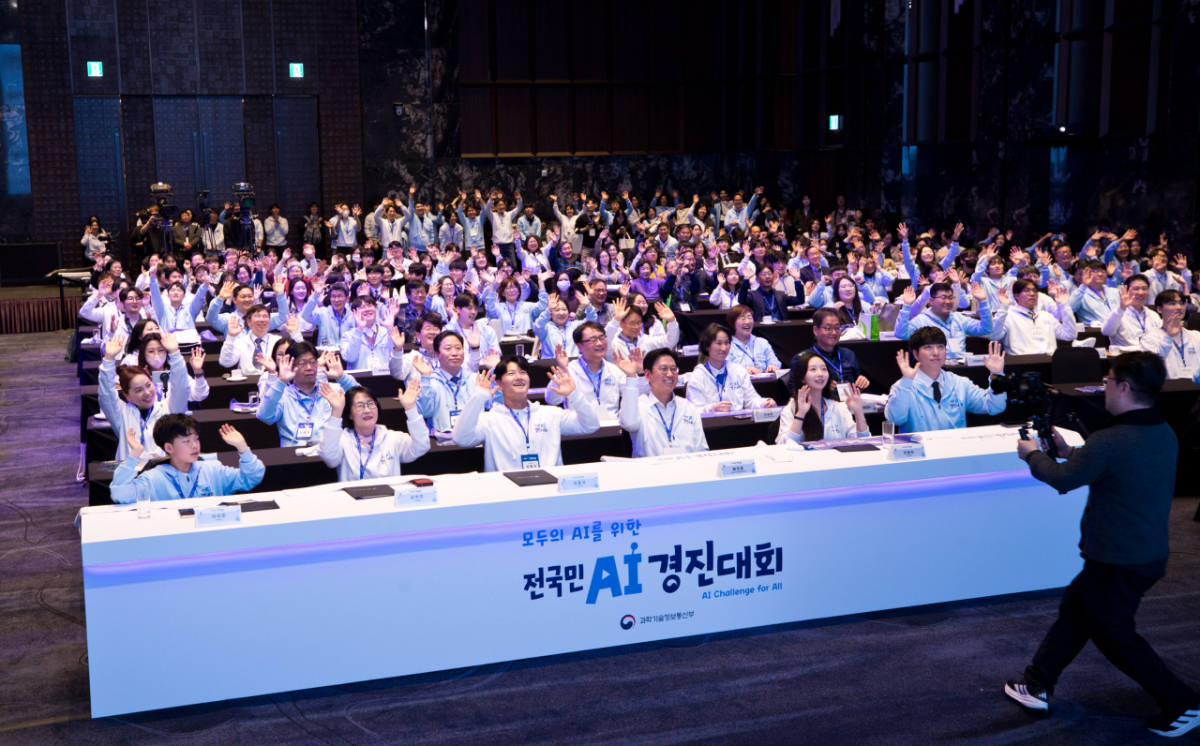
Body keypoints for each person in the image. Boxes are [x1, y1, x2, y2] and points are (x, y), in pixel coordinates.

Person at [1008, 351, 1200, 738]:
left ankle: (1183, 704)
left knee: (1113, 634)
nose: (1105, 387)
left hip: (1119, 557)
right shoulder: (1161, 430)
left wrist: (1032, 456)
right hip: (1136, 552)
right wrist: (1071, 453)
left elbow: (1062, 479)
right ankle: (1037, 683)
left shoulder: (1110, 440)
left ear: (1124, 388)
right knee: (1076, 613)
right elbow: (1115, 465)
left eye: (1108, 380)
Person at [451, 355, 600, 472]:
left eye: (523, 372)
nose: (519, 377)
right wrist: (478, 398)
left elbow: (591, 425)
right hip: (506, 493)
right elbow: (461, 439)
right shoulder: (489, 419)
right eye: (511, 373)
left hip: (549, 489)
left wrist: (574, 395)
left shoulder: (551, 414)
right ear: (500, 384)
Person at [110, 417, 264, 503]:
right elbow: (120, 494)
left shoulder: (213, 469)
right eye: (186, 441)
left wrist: (243, 448)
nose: (194, 445)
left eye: (196, 439)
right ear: (169, 448)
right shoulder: (153, 478)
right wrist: (134, 455)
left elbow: (251, 478)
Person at [884, 328, 1008, 432]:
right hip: (921, 451)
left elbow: (993, 407)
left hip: (955, 449)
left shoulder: (960, 383)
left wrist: (997, 375)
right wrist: (907, 381)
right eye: (928, 347)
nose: (936, 352)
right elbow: (895, 419)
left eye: (940, 346)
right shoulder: (903, 386)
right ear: (916, 354)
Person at [99, 331, 190, 460]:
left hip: (163, 470)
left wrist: (175, 354)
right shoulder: (121, 414)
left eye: (148, 385)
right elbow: (106, 394)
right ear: (127, 395)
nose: (147, 392)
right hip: (131, 471)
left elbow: (182, 387)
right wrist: (108, 359)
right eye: (138, 390)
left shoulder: (169, 408)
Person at [318, 382, 430, 482]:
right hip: (354, 498)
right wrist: (337, 411)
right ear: (349, 414)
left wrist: (411, 408)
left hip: (390, 498)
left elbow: (421, 446)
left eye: (371, 404)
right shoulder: (342, 441)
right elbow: (329, 458)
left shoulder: (392, 438)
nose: (367, 410)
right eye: (359, 406)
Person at [257, 343, 360, 446]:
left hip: (330, 452)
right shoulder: (282, 395)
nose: (309, 368)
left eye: (312, 362)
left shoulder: (331, 390)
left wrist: (342, 378)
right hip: (293, 453)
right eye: (302, 363)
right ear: (291, 366)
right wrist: (281, 381)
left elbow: (361, 399)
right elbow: (264, 416)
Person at [618, 347, 708, 457]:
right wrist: (631, 377)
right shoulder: (639, 407)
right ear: (648, 375)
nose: (670, 374)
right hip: (650, 467)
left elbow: (702, 450)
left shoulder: (689, 408)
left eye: (673, 369)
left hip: (687, 466)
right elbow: (628, 424)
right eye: (663, 369)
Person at [544, 321, 633, 420]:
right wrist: (563, 370)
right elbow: (551, 400)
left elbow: (634, 398)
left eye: (602, 338)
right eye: (593, 340)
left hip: (611, 426)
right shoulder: (570, 370)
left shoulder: (614, 369)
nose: (599, 343)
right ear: (580, 346)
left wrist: (632, 376)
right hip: (580, 427)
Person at [776, 351, 870, 443]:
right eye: (813, 369)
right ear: (802, 378)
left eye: (824, 369)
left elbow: (863, 441)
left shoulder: (838, 408)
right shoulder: (791, 409)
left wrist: (858, 412)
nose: (820, 374)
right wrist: (800, 414)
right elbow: (785, 444)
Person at [686, 324, 775, 413]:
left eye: (727, 343)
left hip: (737, 421)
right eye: (719, 343)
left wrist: (765, 403)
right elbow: (692, 412)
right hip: (709, 422)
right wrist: (711, 409)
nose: (724, 348)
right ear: (707, 346)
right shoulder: (697, 376)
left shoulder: (738, 371)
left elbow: (751, 400)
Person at [895, 282, 994, 359]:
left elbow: (986, 329)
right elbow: (901, 334)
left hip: (960, 368)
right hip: (934, 368)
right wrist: (906, 306)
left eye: (950, 298)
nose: (948, 301)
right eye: (943, 298)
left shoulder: (958, 318)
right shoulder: (921, 320)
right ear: (931, 301)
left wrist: (983, 302)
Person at [413, 330, 479, 432]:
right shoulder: (430, 382)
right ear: (437, 355)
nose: (454, 353)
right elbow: (424, 412)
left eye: (458, 348)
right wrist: (425, 377)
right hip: (442, 439)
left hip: (473, 438)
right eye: (448, 348)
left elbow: (494, 404)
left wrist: (495, 370)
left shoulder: (475, 379)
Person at [991, 279, 1078, 355]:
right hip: (1020, 363)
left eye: (1035, 290)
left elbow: (1070, 335)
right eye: (1026, 290)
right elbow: (994, 336)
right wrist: (1003, 307)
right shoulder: (1007, 315)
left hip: (1048, 362)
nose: (1032, 294)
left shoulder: (1046, 316)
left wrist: (1064, 305)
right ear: (1016, 295)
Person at [795, 307, 871, 390]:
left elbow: (857, 385)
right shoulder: (803, 358)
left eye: (837, 328)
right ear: (816, 330)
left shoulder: (848, 354)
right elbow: (794, 391)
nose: (834, 332)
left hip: (849, 398)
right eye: (828, 328)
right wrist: (820, 387)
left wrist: (861, 384)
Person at [218, 305, 303, 376]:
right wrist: (230, 337)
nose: (262, 320)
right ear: (249, 321)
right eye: (257, 316)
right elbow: (226, 363)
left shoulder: (278, 341)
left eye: (265, 316)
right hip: (246, 384)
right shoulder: (240, 342)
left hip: (274, 381)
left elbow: (302, 354)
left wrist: (295, 333)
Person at [1140, 290, 1199, 379]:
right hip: (1167, 386)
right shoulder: (1149, 340)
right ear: (1159, 309)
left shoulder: (1196, 336)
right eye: (1172, 303)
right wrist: (1168, 337)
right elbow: (1152, 366)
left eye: (1181, 303)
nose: (1179, 307)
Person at [137, 333, 209, 403]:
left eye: (160, 350)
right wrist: (145, 383)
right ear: (143, 353)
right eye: (151, 351)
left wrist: (198, 372)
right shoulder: (137, 376)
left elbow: (200, 395)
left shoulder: (176, 374)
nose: (156, 354)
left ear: (166, 352)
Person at [604, 297, 680, 361]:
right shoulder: (614, 344)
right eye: (632, 323)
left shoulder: (645, 340)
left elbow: (670, 342)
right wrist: (615, 320)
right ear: (621, 323)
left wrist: (672, 321)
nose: (636, 327)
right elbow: (605, 341)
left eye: (639, 322)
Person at [1101, 275, 1160, 349]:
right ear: (1126, 291)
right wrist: (1121, 308)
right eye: (1136, 289)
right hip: (1126, 355)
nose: (1141, 292)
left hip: (1151, 354)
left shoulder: (1153, 315)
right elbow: (1106, 332)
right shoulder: (1118, 313)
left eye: (1144, 288)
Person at [340, 296, 398, 370]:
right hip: (359, 376)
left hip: (385, 375)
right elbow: (349, 358)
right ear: (354, 313)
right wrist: (359, 329)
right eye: (362, 307)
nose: (367, 309)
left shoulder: (386, 332)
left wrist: (391, 328)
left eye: (370, 305)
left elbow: (397, 356)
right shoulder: (348, 336)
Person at [534, 291, 595, 358]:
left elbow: (592, 322)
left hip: (573, 363)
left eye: (564, 309)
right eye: (557, 310)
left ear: (568, 312)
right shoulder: (546, 328)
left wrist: (588, 306)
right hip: (552, 363)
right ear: (551, 314)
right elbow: (538, 326)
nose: (561, 313)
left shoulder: (575, 326)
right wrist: (548, 310)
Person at [726, 305, 781, 374]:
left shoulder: (762, 342)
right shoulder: (728, 346)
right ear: (733, 323)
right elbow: (725, 366)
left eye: (750, 317)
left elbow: (773, 359)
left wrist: (773, 365)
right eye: (743, 318)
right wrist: (742, 369)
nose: (747, 322)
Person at [302, 278, 356, 348]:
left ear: (347, 298)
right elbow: (305, 315)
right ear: (330, 298)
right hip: (326, 352)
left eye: (340, 296)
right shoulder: (323, 313)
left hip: (348, 353)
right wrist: (316, 295)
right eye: (333, 296)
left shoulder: (354, 315)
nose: (336, 300)